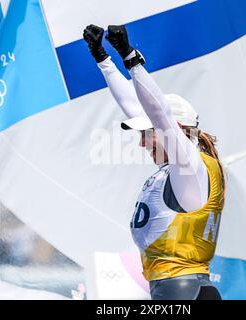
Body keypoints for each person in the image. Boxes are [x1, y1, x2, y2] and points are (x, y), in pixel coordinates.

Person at [83, 24, 226, 300]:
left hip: (181, 291)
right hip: (180, 289)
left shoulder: (189, 167)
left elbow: (158, 114)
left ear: (178, 131)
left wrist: (131, 58)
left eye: (148, 135)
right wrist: (103, 60)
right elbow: (137, 108)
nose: (142, 143)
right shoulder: (180, 170)